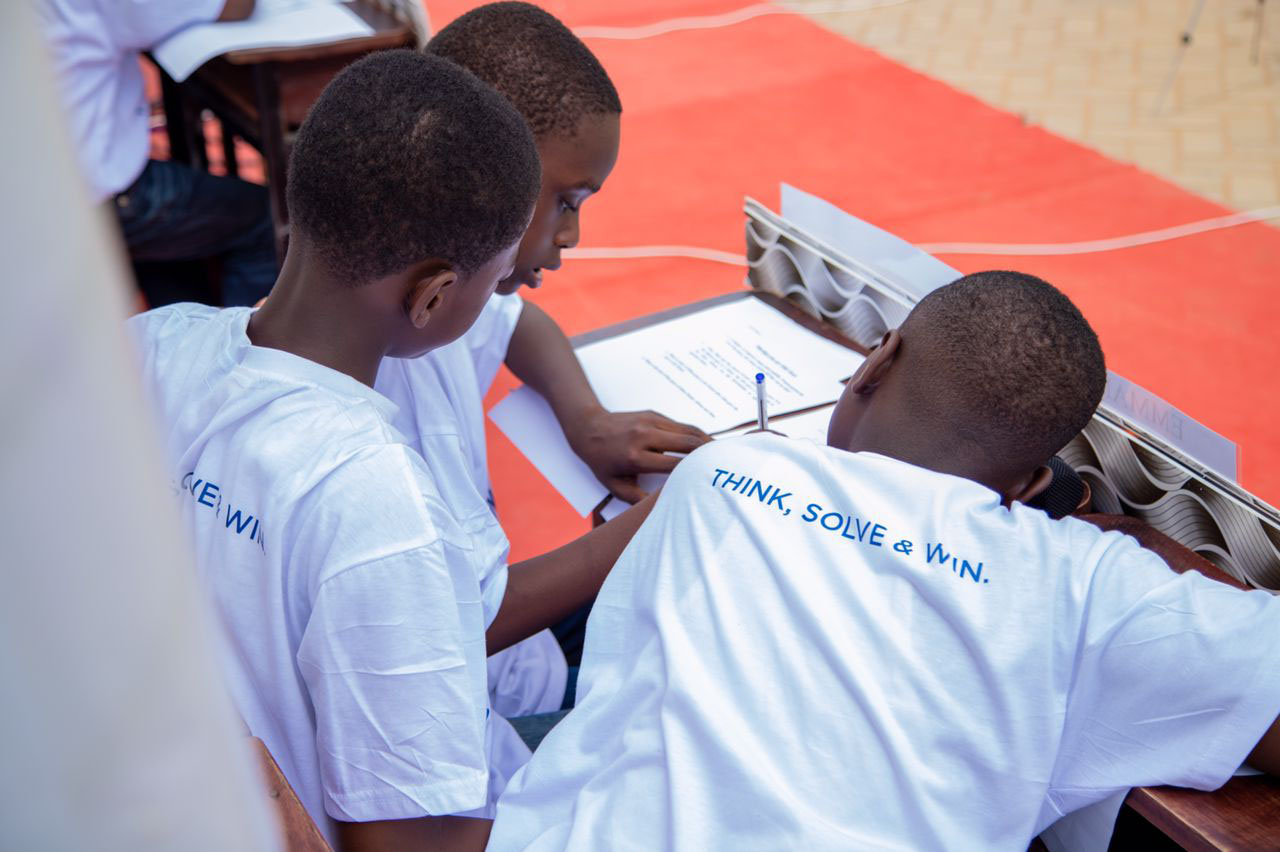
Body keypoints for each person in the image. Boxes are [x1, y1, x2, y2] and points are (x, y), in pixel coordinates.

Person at [488, 271, 1280, 851]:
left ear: (874, 361)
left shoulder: (726, 471)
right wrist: (1137, 552)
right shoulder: (1088, 583)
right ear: (1032, 487)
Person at [129, 51, 656, 851]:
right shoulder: (375, 500)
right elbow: (410, 839)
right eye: (492, 282)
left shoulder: (149, 344)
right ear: (434, 296)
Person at [374, 2, 710, 694]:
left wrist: (585, 420)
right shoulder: (371, 430)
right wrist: (653, 526)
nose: (573, 235)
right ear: (485, 176)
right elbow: (450, 628)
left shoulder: (439, 305)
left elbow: (516, 323)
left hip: (517, 656)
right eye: (568, 201)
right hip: (488, 710)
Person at [38, 0, 277, 307]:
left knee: (181, 233)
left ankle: (186, 321)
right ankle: (242, 336)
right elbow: (232, 6)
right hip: (87, 191)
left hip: (39, 178)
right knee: (266, 219)